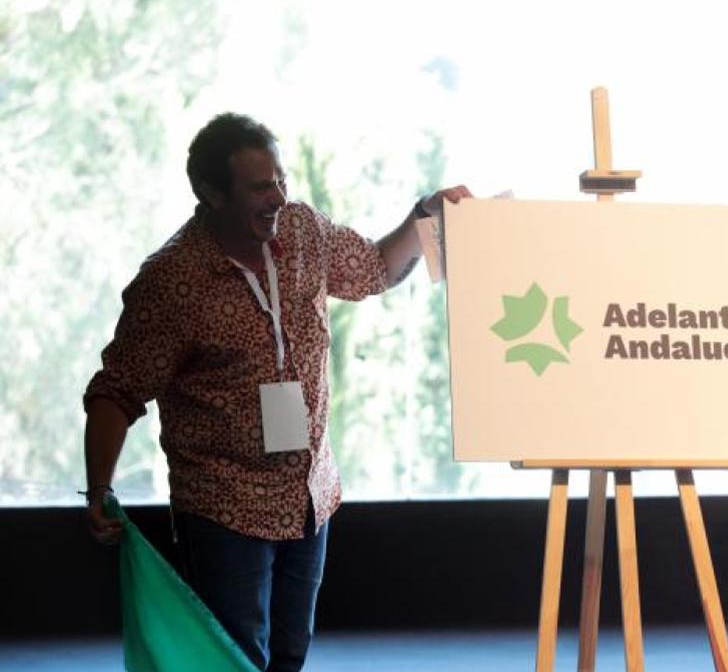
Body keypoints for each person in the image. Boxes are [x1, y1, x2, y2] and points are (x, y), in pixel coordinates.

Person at [82, 112, 471, 671]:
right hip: (225, 506)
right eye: (260, 187)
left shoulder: (303, 232)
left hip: (308, 495)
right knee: (237, 659)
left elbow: (373, 269)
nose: (278, 197)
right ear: (210, 193)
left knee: (290, 654)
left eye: (281, 180)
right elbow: (115, 392)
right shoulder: (172, 282)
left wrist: (423, 215)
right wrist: (99, 489)